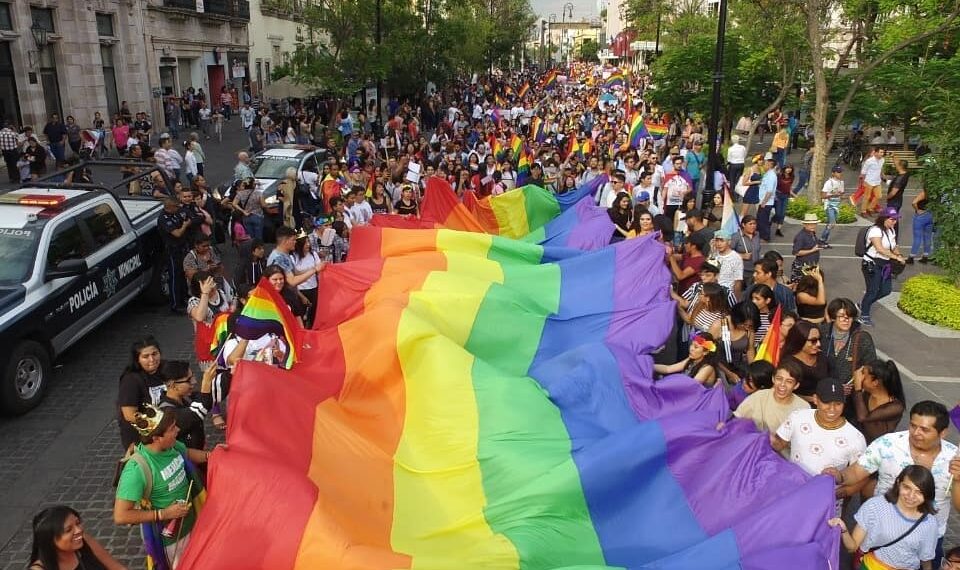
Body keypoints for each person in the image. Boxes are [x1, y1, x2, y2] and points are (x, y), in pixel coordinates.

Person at [826, 401, 960, 565]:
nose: (916, 433)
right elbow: (855, 472)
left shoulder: (955, 459)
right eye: (913, 425)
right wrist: (839, 476)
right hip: (880, 535)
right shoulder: (887, 444)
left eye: (924, 429)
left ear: (943, 433)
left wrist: (958, 481)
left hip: (930, 536)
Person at [114, 405, 210, 569]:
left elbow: (187, 453)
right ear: (156, 438)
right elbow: (121, 516)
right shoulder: (136, 471)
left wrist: (213, 456)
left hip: (194, 525)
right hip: (170, 540)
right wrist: (163, 514)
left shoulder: (171, 446)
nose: (178, 430)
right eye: (172, 428)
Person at [773, 377, 866, 512]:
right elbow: (778, 444)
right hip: (791, 495)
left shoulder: (856, 438)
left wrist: (833, 495)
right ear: (816, 399)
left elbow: (861, 479)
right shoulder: (797, 417)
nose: (832, 409)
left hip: (825, 506)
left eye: (838, 404)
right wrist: (761, 440)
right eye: (826, 402)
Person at [828, 465, 939, 570]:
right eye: (907, 487)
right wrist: (844, 530)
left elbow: (926, 560)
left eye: (919, 492)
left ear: (928, 494)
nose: (911, 496)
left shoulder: (930, 523)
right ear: (898, 483)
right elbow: (852, 547)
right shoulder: (875, 506)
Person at [28, 505, 125, 570]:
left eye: (77, 523)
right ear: (50, 540)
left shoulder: (84, 540)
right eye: (68, 530)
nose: (79, 530)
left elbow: (116, 567)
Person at [116, 337, 166, 453]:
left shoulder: (165, 368)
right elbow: (129, 414)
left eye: (155, 354)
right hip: (142, 438)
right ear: (137, 359)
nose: (152, 359)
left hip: (165, 434)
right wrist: (156, 427)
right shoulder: (131, 380)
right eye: (145, 356)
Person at [733, 359, 809, 434]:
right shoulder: (758, 397)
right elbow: (736, 419)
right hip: (757, 445)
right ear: (773, 379)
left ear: (796, 385)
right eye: (779, 379)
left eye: (789, 381)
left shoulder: (804, 408)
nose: (782, 384)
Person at [860, 207, 907, 327]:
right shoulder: (875, 230)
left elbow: (894, 246)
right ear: (884, 218)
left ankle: (864, 304)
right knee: (873, 290)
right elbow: (880, 248)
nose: (894, 222)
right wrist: (895, 258)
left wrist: (898, 254)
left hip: (885, 264)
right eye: (892, 219)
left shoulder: (891, 230)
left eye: (896, 220)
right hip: (872, 264)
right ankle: (864, 314)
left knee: (886, 290)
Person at [158, 360, 215, 452]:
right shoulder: (167, 412)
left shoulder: (186, 398)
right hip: (188, 462)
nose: (194, 382)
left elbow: (211, 396)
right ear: (173, 385)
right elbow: (197, 413)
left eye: (192, 377)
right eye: (189, 380)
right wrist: (206, 382)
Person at [821, 297, 876, 390]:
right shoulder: (822, 332)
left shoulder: (862, 338)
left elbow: (871, 366)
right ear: (833, 317)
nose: (846, 320)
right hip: (825, 389)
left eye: (849, 316)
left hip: (850, 392)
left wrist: (856, 384)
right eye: (841, 316)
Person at [850, 359, 906, 444]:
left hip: (877, 448)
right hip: (858, 442)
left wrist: (857, 388)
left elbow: (863, 417)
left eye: (863, 374)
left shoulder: (895, 407)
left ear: (875, 382)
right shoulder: (866, 395)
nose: (860, 377)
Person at [779, 319, 829, 401]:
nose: (818, 344)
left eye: (819, 339)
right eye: (813, 341)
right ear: (800, 340)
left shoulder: (821, 356)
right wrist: (812, 399)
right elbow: (785, 391)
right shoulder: (788, 364)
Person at [267, 226, 325, 290]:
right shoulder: (279, 258)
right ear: (285, 241)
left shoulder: (284, 255)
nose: (296, 242)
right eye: (293, 240)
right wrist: (315, 269)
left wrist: (316, 268)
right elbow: (292, 281)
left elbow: (296, 273)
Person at [654, 331, 718, 386]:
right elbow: (668, 369)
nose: (691, 349)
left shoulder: (707, 368)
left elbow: (691, 386)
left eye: (696, 347)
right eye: (691, 345)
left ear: (705, 352)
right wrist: (649, 365)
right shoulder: (691, 359)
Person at [730, 215, 761, 288]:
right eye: (750, 224)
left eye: (754, 224)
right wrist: (741, 255)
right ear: (743, 225)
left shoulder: (757, 235)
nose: (753, 226)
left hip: (754, 271)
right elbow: (728, 252)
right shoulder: (736, 237)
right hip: (741, 272)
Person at [712, 230, 744, 300]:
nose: (719, 244)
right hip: (712, 292)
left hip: (726, 295)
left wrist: (736, 300)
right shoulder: (713, 255)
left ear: (729, 242)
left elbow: (738, 281)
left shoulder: (736, 257)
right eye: (717, 241)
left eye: (722, 241)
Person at [790, 213, 822, 283]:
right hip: (803, 266)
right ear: (804, 225)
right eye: (810, 224)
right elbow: (796, 252)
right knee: (801, 286)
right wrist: (812, 250)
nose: (813, 226)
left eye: (814, 224)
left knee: (811, 285)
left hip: (811, 265)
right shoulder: (801, 237)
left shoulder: (812, 233)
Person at [819, 165, 845, 246]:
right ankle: (822, 240)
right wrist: (833, 195)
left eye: (840, 172)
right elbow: (823, 196)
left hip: (837, 206)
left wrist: (842, 196)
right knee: (832, 223)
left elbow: (841, 193)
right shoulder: (829, 183)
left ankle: (823, 241)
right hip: (829, 206)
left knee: (830, 224)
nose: (840, 174)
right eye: (838, 172)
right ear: (833, 173)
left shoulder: (841, 182)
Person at [907, 188, 933, 264]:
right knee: (927, 237)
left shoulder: (925, 193)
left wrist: (917, 210)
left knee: (917, 237)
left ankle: (911, 257)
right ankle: (925, 256)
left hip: (921, 215)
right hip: (930, 215)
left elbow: (914, 202)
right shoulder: (936, 192)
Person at [756, 154, 778, 241]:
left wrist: (764, 202)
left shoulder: (771, 176)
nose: (764, 165)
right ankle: (761, 235)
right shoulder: (767, 174)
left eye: (765, 164)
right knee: (760, 219)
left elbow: (769, 191)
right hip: (763, 201)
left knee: (763, 220)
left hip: (766, 202)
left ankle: (765, 237)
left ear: (769, 165)